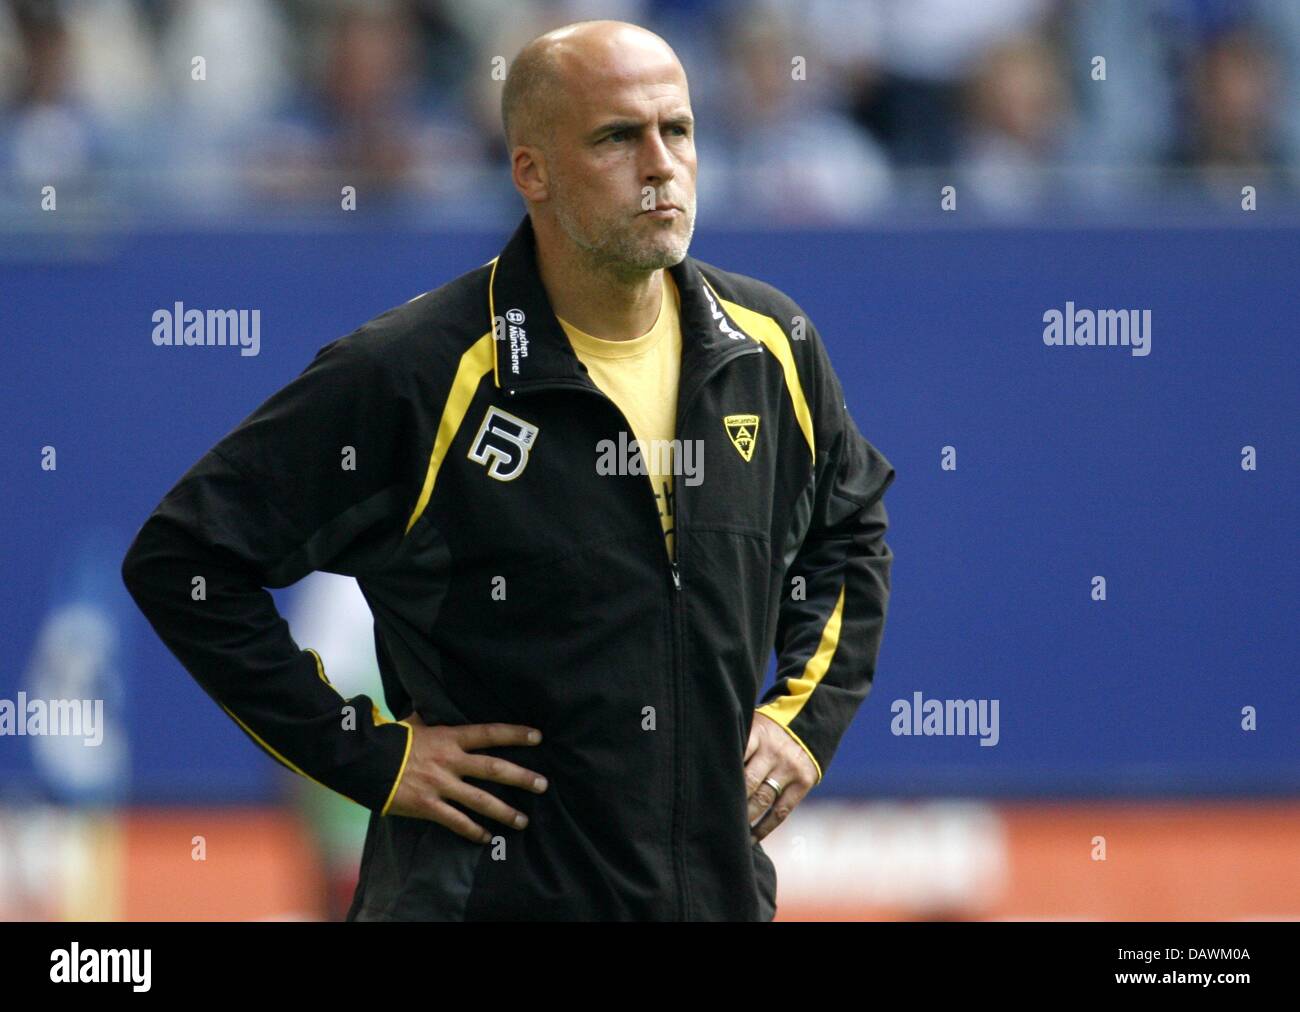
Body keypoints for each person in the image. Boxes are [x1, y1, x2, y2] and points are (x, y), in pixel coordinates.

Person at [121, 19, 895, 921]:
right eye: (616, 137)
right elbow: (184, 562)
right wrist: (370, 756)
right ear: (531, 170)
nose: (660, 165)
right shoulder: (413, 371)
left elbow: (848, 530)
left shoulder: (771, 346)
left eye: (677, 130)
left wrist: (804, 718)